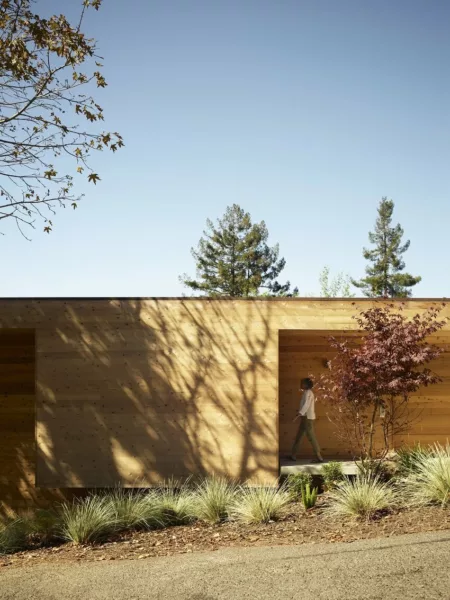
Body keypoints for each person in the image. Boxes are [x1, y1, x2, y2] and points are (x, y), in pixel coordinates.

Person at [290, 377, 323, 463]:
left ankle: (319, 456)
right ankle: (293, 454)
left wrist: (301, 412)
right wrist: (301, 413)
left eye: (303, 383)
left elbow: (307, 404)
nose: (301, 384)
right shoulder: (306, 392)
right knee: (299, 436)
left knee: (311, 437)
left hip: (307, 418)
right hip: (305, 418)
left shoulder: (308, 393)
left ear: (307, 385)